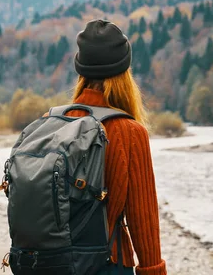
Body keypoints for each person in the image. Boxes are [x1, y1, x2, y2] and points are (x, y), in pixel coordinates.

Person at [66, 19, 167, 275]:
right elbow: (142, 221)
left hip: (50, 263)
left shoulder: (52, 122)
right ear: (124, 74)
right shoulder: (129, 132)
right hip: (105, 264)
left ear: (81, 71)